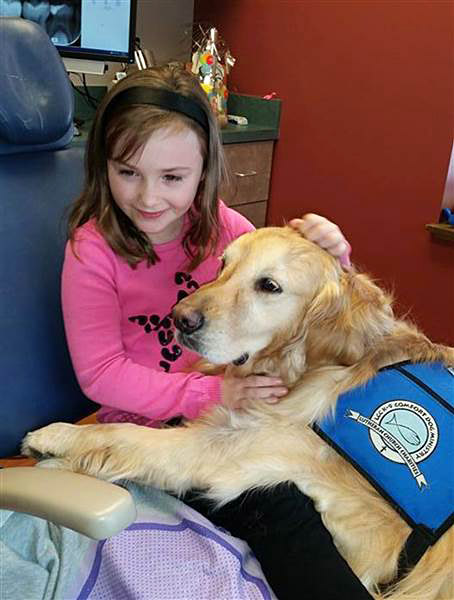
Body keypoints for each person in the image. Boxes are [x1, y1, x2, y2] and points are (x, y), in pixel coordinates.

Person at [62, 64, 372, 599]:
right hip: (153, 430)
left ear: (204, 171)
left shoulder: (227, 228)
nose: (148, 198)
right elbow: (100, 374)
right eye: (127, 172)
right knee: (277, 501)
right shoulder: (91, 252)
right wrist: (212, 390)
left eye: (173, 178)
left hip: (230, 408)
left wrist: (336, 256)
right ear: (101, 166)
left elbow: (292, 289)